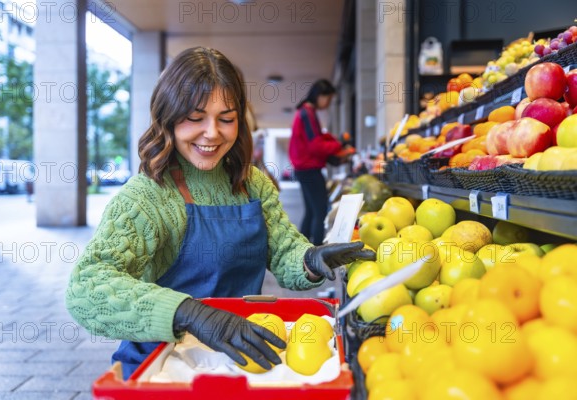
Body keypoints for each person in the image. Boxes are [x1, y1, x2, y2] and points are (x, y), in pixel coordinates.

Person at [65, 47, 375, 380]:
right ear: (167, 116)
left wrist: (311, 259)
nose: (212, 133)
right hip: (163, 368)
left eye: (226, 119)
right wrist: (187, 313)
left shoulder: (251, 182)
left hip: (239, 359)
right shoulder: (147, 196)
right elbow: (86, 287)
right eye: (195, 118)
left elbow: (284, 249)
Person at [288, 79, 354, 245]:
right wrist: (339, 145)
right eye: (329, 99)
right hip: (309, 169)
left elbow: (318, 139)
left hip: (304, 169)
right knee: (320, 210)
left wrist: (335, 143)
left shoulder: (305, 112)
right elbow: (315, 145)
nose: (329, 103)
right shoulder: (306, 113)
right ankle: (316, 252)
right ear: (321, 96)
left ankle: (302, 249)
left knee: (311, 211)